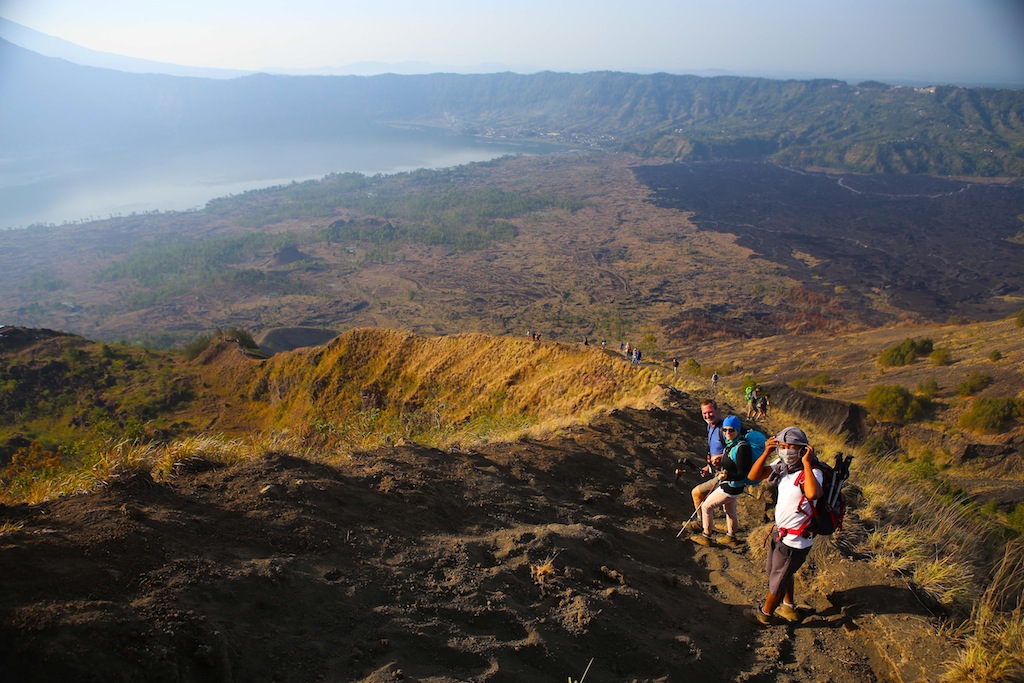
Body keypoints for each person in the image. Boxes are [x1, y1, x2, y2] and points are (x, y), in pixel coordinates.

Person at [744, 425, 822, 625]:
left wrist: (806, 463)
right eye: (784, 445)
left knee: (778, 580)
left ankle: (765, 614)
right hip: (782, 534)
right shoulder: (782, 465)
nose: (787, 450)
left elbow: (813, 494)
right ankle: (788, 605)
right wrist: (766, 452)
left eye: (793, 446)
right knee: (779, 572)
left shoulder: (812, 471)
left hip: (797, 540)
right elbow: (753, 476)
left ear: (804, 449)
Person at [690, 415, 752, 547]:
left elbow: (742, 473)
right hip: (733, 486)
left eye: (731, 430)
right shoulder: (733, 444)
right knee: (730, 510)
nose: (727, 433)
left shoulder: (742, 448)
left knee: (706, 506)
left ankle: (706, 536)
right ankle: (731, 537)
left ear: (738, 430)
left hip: (731, 486)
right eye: (724, 430)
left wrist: (726, 476)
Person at [685, 400, 726, 531]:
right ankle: (730, 533)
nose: (707, 416)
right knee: (728, 507)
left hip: (725, 474)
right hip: (717, 472)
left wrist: (721, 458)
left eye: (710, 412)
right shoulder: (710, 427)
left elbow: (736, 450)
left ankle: (702, 525)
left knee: (697, 493)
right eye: (705, 413)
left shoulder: (725, 429)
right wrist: (708, 467)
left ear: (717, 410)